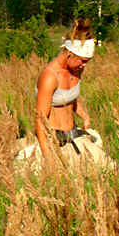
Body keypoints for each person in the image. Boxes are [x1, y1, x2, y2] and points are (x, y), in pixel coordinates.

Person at [34, 18, 96, 163]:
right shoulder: (50, 76)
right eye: (83, 60)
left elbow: (69, 97)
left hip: (73, 134)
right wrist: (48, 158)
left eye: (88, 61)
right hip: (54, 140)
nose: (84, 65)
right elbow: (40, 120)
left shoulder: (76, 68)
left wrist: (84, 115)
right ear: (69, 54)